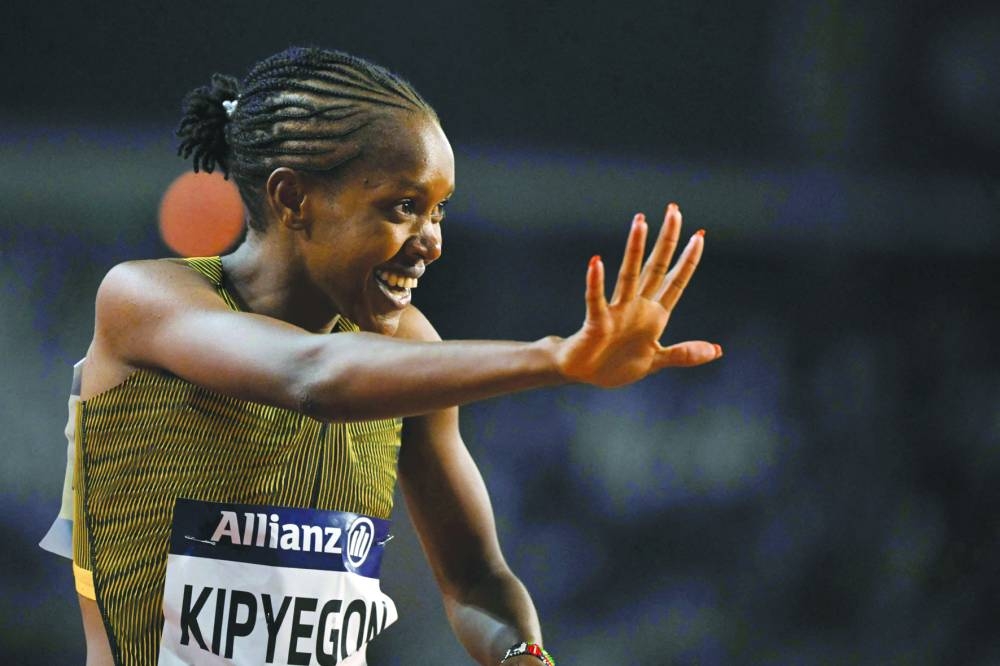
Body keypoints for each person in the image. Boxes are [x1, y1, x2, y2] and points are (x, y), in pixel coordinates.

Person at [42, 46, 722, 666]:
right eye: (403, 206)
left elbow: (476, 580)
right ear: (292, 198)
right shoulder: (146, 301)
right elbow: (309, 376)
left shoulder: (405, 348)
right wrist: (555, 359)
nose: (433, 242)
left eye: (439, 210)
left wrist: (523, 655)